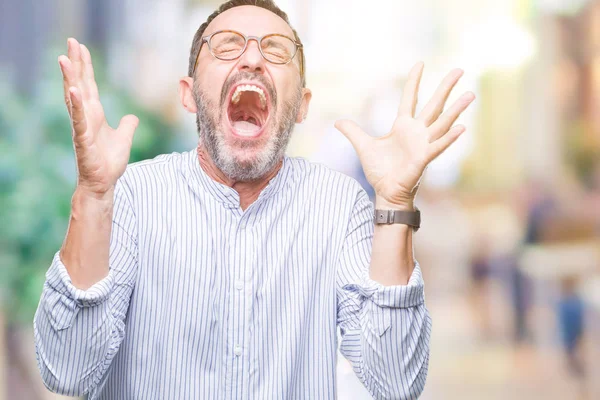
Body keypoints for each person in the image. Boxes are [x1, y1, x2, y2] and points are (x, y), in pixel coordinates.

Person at [33, 0, 475, 398]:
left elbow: (395, 380)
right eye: (226, 45)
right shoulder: (131, 197)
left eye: (277, 49)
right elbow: (69, 369)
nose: (252, 58)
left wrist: (395, 201)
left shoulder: (340, 206)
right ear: (189, 94)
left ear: (300, 105)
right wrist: (92, 194)